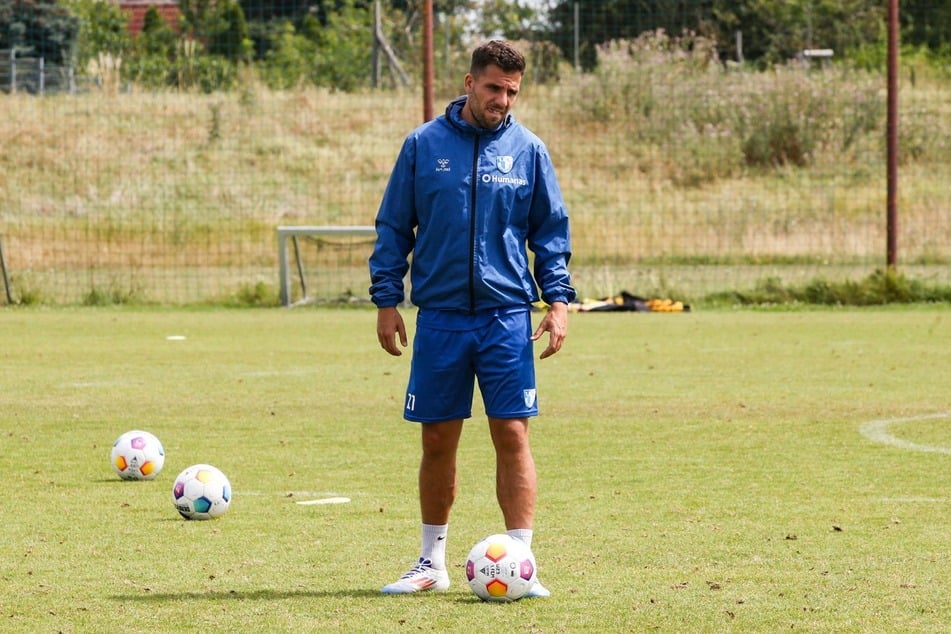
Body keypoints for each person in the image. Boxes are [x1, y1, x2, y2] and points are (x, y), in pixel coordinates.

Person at [368, 39, 576, 598]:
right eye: (493, 88)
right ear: (469, 83)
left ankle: (522, 562)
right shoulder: (422, 146)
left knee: (512, 432)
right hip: (439, 317)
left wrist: (558, 302)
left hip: (507, 316)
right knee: (437, 438)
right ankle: (429, 562)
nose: (502, 100)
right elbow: (393, 228)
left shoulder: (529, 151)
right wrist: (386, 301)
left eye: (511, 92)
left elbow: (550, 237)